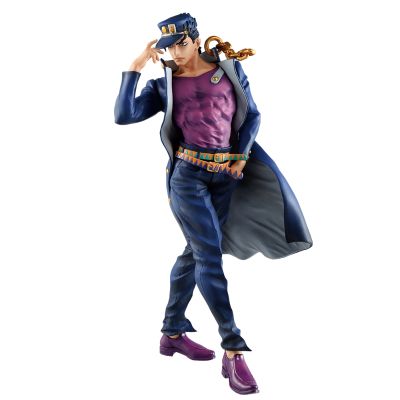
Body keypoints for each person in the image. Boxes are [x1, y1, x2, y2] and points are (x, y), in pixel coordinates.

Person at [114, 12, 313, 395]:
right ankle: (233, 349)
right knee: (209, 258)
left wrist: (241, 156)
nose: (175, 53)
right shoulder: (164, 85)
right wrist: (134, 68)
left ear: (195, 38)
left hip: (225, 176)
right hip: (187, 177)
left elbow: (252, 115)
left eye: (180, 44)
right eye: (168, 47)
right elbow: (124, 116)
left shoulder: (229, 70)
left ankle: (172, 332)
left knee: (197, 252)